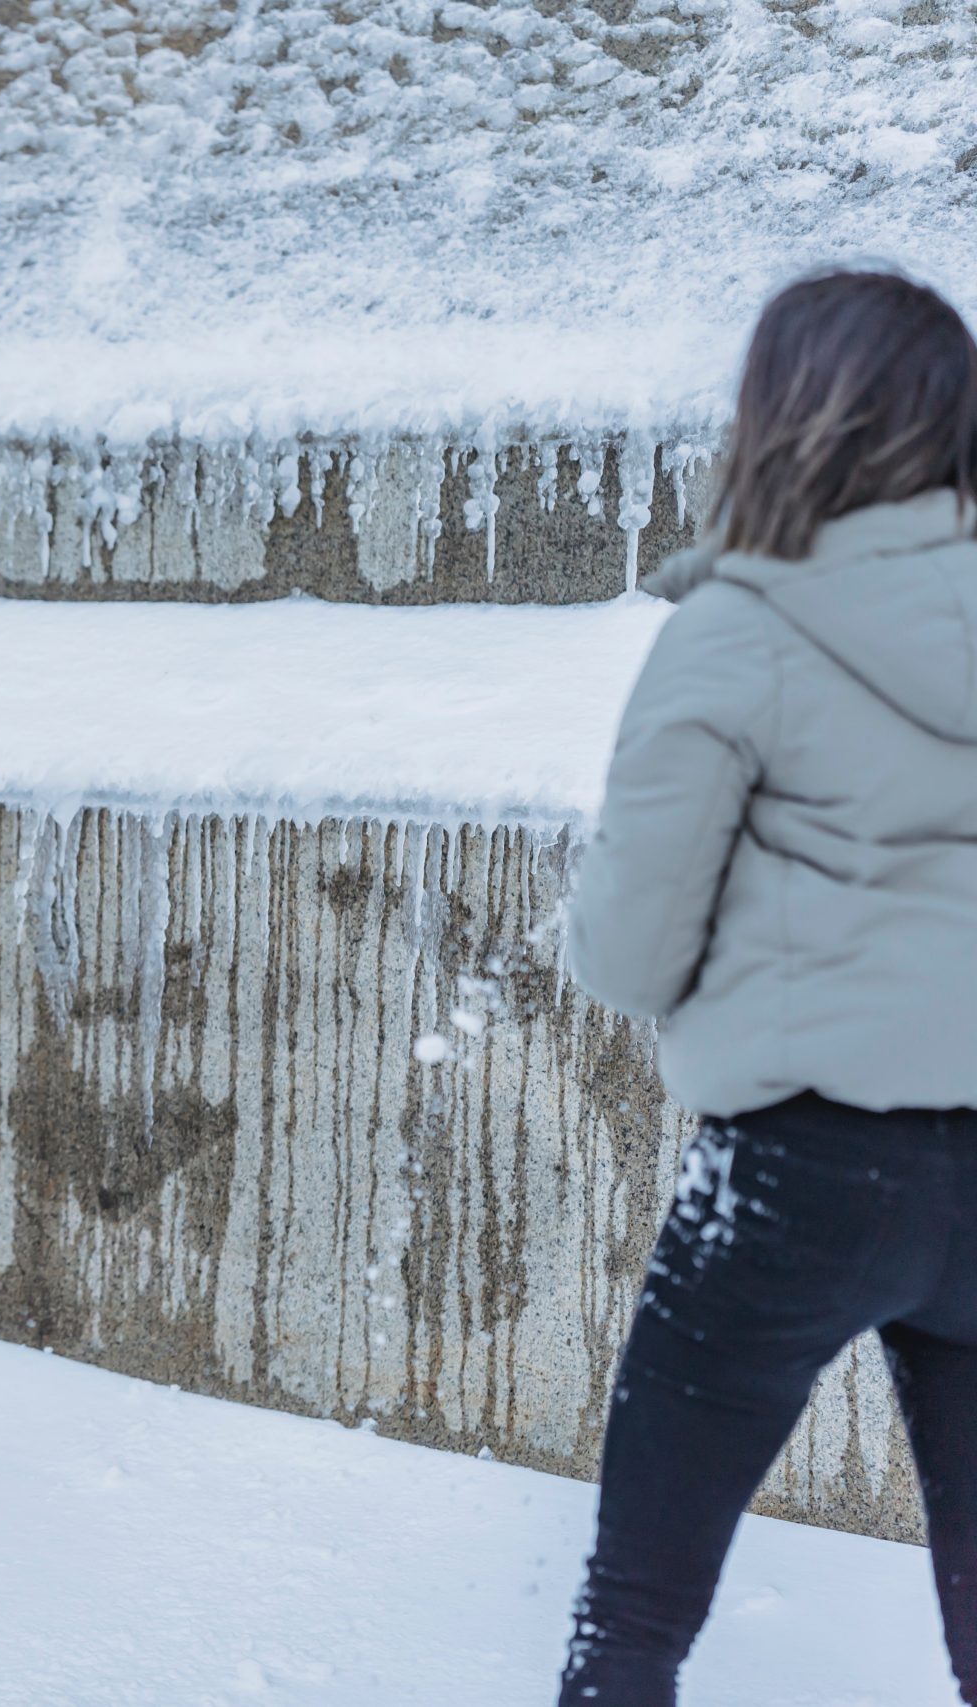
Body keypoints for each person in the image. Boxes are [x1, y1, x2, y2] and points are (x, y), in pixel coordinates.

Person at [560, 266, 977, 1704]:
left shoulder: (737, 632)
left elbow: (629, 953)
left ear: (782, 416)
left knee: (634, 1619)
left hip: (797, 1170)